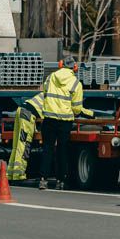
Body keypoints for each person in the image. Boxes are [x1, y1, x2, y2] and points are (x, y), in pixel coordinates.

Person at [38, 59, 93, 190]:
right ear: (75, 67)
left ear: (61, 65)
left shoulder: (51, 77)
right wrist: (89, 113)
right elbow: (77, 108)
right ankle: (60, 181)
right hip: (65, 122)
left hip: (49, 119)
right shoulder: (76, 83)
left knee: (47, 149)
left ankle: (43, 180)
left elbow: (44, 93)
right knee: (62, 151)